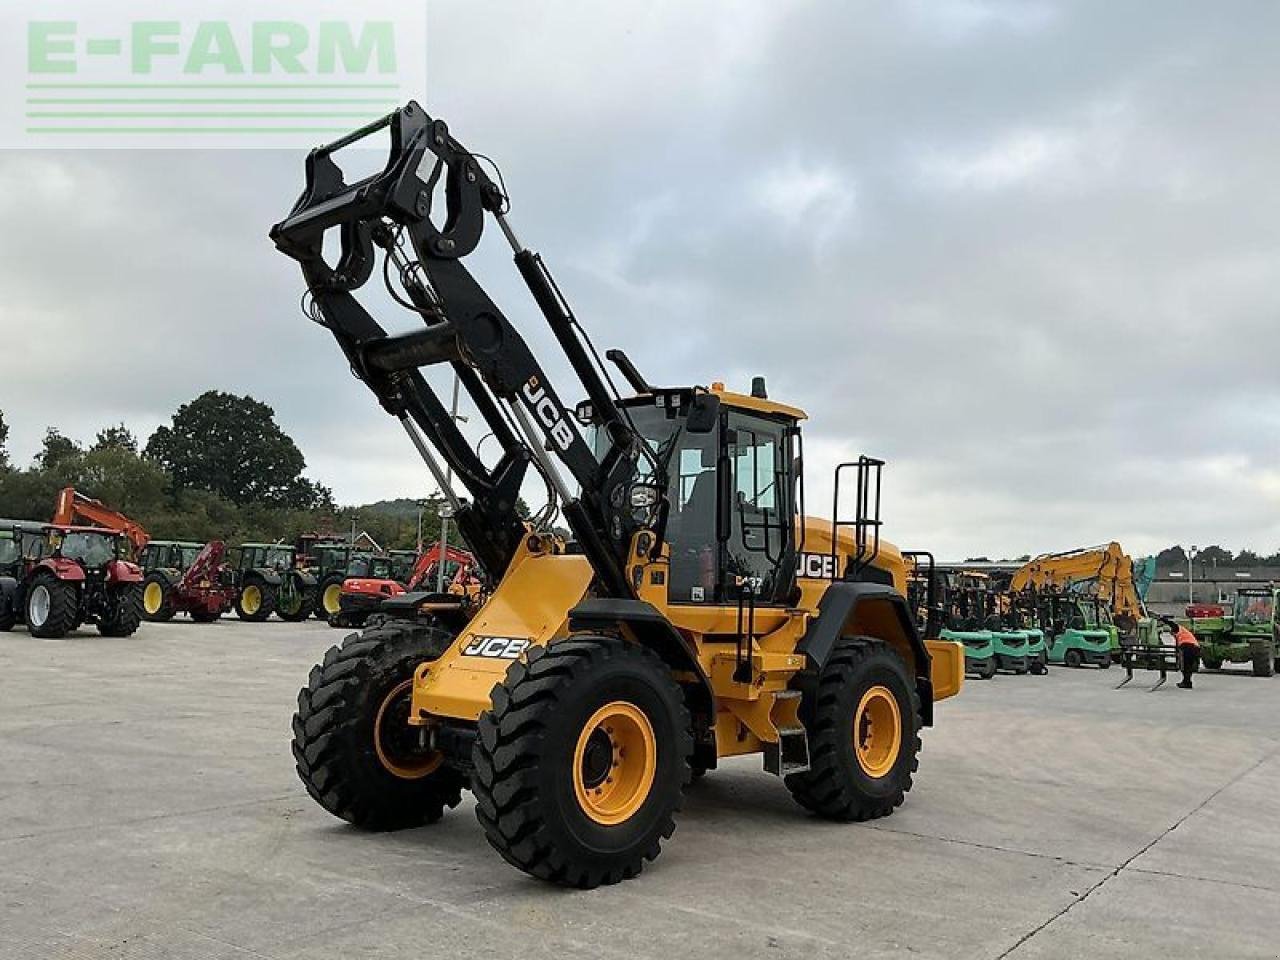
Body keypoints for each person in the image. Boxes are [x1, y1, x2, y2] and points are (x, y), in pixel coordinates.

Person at [1164, 617, 1200, 689]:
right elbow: (1178, 647)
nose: (1172, 635)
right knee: (1187, 666)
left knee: (1186, 666)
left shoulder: (1178, 629)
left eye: (1172, 633)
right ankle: (1187, 682)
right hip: (1194, 648)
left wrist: (1163, 620)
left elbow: (1172, 624)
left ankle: (1186, 683)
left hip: (1189, 647)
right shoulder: (1180, 634)